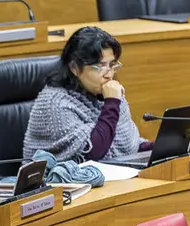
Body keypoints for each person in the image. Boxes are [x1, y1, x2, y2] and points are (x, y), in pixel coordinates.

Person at [23, 26, 152, 162]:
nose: (109, 74)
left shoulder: (108, 94)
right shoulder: (54, 103)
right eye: (100, 66)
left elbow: (126, 146)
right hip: (59, 181)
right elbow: (92, 154)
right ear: (74, 68)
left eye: (112, 65)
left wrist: (163, 146)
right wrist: (112, 103)